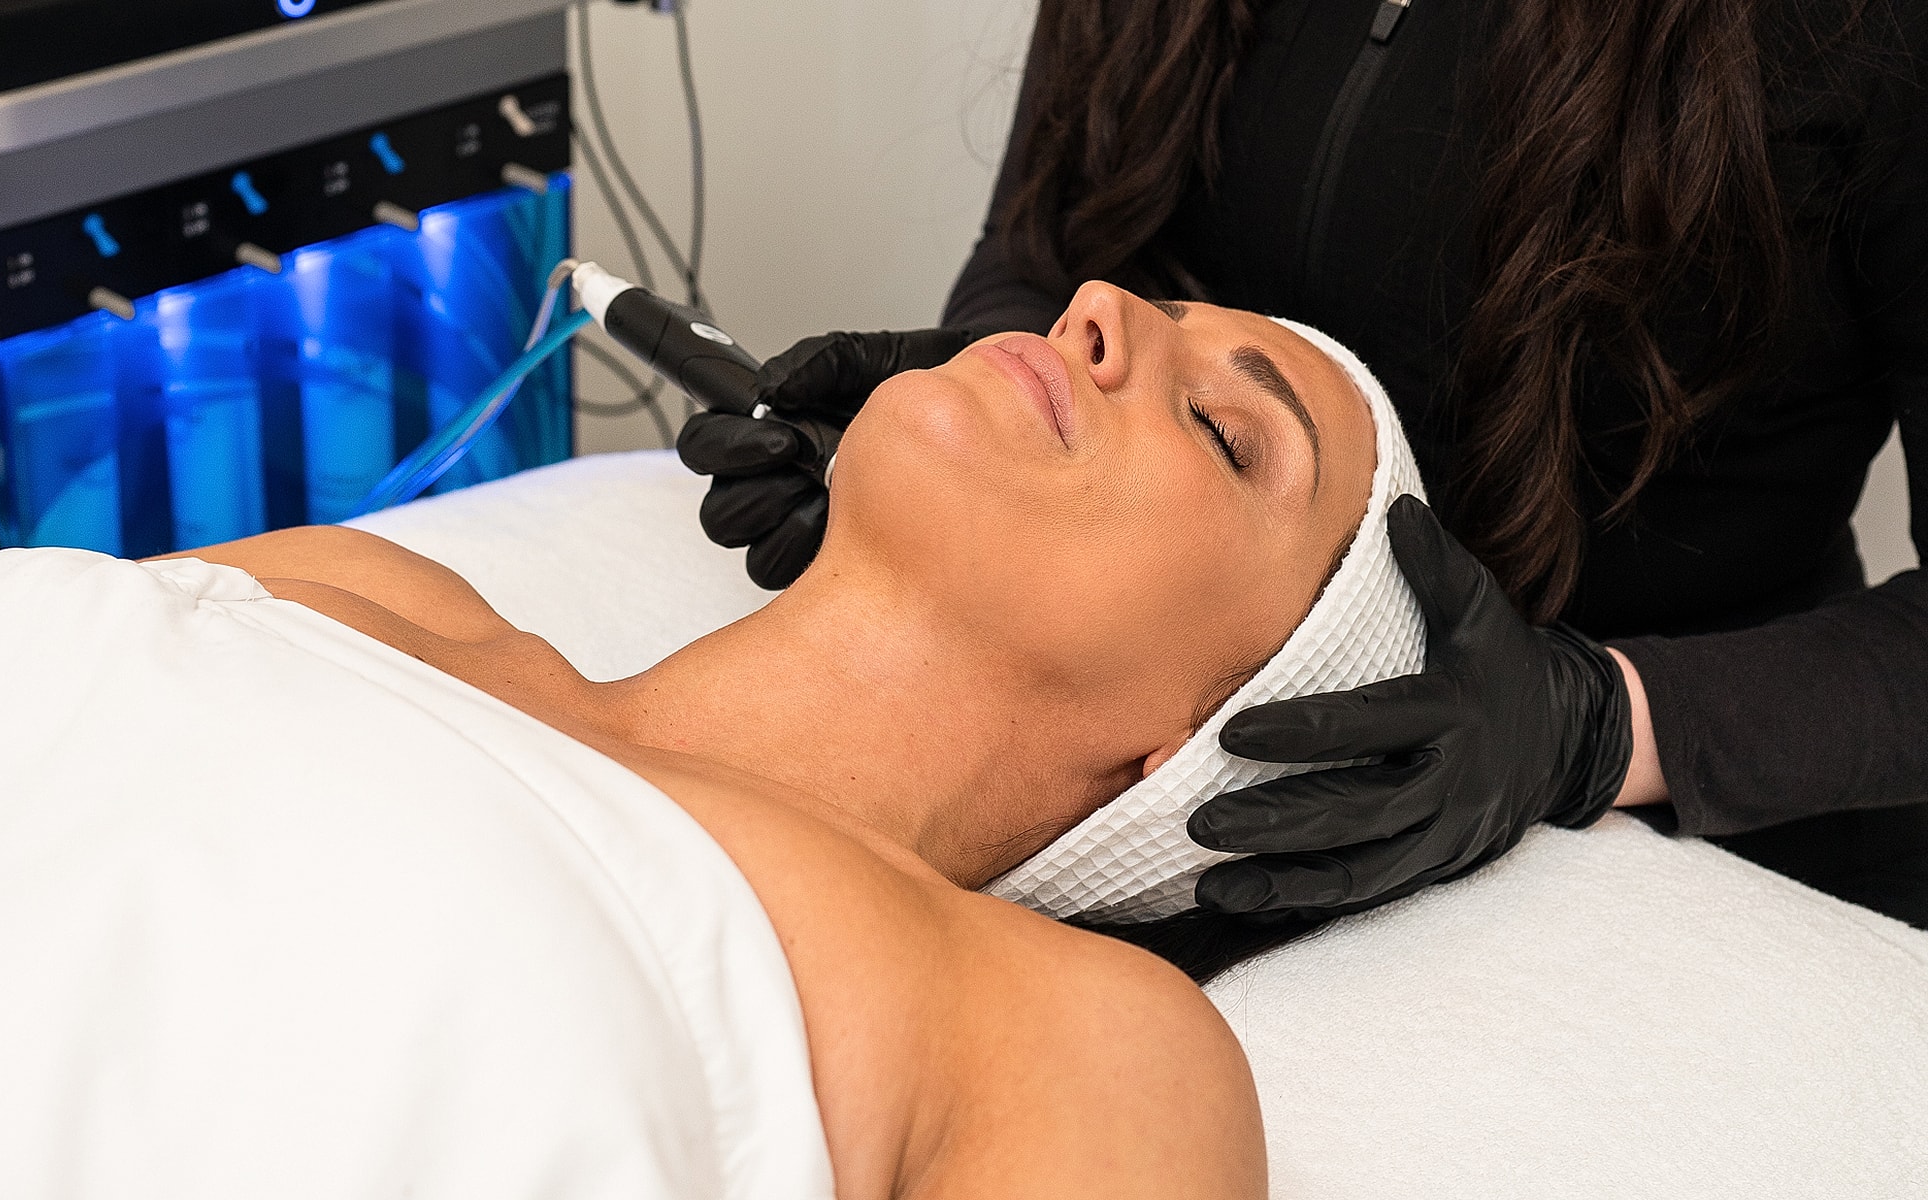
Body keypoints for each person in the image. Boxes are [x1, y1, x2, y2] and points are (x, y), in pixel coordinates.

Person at [0, 288, 1383, 1200]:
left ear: (1200, 747)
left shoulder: (1059, 1035)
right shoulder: (358, 584)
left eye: (1225, 429)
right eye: (1142, 302)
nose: (1100, 310)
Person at [681, 0, 1928, 925]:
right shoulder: (532, 685)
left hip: (1727, 851)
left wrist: (1599, 723)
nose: (1097, 311)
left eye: (1230, 437)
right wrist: (978, 420)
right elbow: (1055, 240)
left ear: (1168, 759)